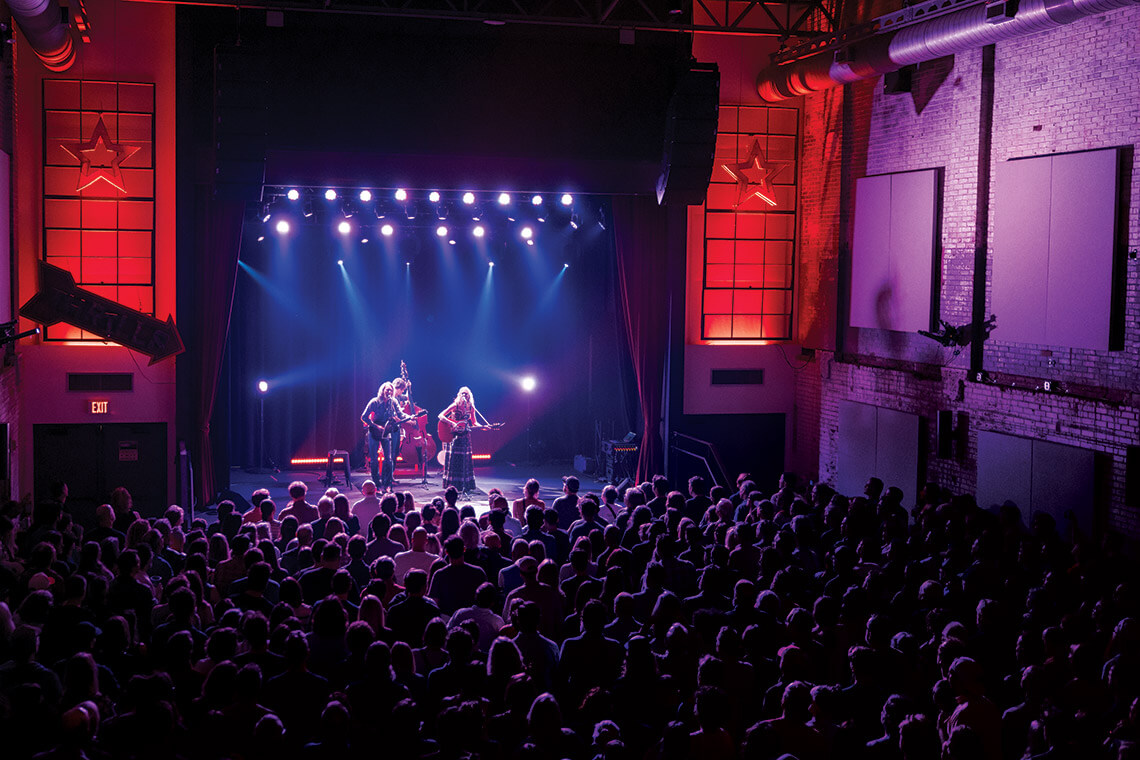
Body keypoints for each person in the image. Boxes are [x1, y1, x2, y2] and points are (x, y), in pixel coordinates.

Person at [361, 382, 412, 493]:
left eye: (390, 390)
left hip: (386, 431)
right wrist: (375, 426)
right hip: (374, 432)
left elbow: (400, 414)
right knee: (374, 460)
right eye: (387, 390)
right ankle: (377, 485)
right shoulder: (374, 402)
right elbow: (364, 417)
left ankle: (387, 484)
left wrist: (411, 417)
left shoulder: (393, 402)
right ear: (382, 390)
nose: (389, 392)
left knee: (388, 459)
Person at [438, 386, 481, 495]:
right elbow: (441, 415)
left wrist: (485, 427)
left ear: (469, 395)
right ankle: (453, 485)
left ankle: (464, 484)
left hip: (465, 435)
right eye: (463, 393)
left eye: (466, 394)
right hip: (454, 436)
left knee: (464, 460)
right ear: (459, 395)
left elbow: (474, 422)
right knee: (454, 459)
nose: (464, 395)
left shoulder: (471, 407)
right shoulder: (455, 405)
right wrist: (452, 423)